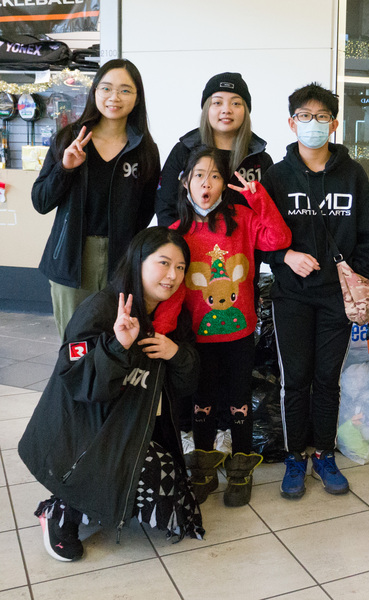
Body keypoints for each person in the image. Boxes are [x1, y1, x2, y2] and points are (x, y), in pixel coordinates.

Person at [18, 227, 202, 562]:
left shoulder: (173, 316)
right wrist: (118, 346)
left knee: (174, 497)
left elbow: (187, 385)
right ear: (138, 261)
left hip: (132, 426)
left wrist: (176, 352)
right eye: (163, 263)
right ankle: (61, 511)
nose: (172, 275)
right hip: (84, 433)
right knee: (132, 478)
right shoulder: (102, 308)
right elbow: (76, 380)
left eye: (180, 268)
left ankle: (98, 494)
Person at [261, 83, 369, 500]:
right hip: (292, 296)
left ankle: (324, 454)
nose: (312, 124)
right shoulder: (276, 177)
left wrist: (356, 280)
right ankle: (296, 455)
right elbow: (261, 238)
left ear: (334, 124)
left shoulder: (352, 174)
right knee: (295, 379)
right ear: (291, 122)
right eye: (304, 115)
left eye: (321, 117)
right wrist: (285, 258)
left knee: (327, 379)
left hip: (335, 297)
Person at [171, 147, 291, 507]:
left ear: (225, 183)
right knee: (202, 402)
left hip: (239, 334)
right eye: (198, 175)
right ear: (185, 182)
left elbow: (279, 239)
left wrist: (259, 197)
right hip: (197, 338)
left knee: (239, 401)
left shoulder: (242, 217)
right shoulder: (176, 230)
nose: (206, 183)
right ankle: (203, 469)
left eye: (215, 175)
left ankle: (241, 468)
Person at [32, 59, 160, 339]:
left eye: (126, 90)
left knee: (115, 343)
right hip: (72, 257)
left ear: (137, 98)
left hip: (121, 259)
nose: (114, 97)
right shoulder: (69, 139)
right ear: (94, 93)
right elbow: (41, 201)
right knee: (73, 346)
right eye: (106, 88)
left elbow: (147, 209)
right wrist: (65, 169)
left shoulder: (145, 150)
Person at [156, 72, 273, 227]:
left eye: (236, 103)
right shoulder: (184, 151)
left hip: (246, 249)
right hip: (188, 246)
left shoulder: (259, 158)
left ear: (246, 111)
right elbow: (165, 208)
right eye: (217, 103)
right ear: (206, 109)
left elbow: (270, 214)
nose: (226, 110)